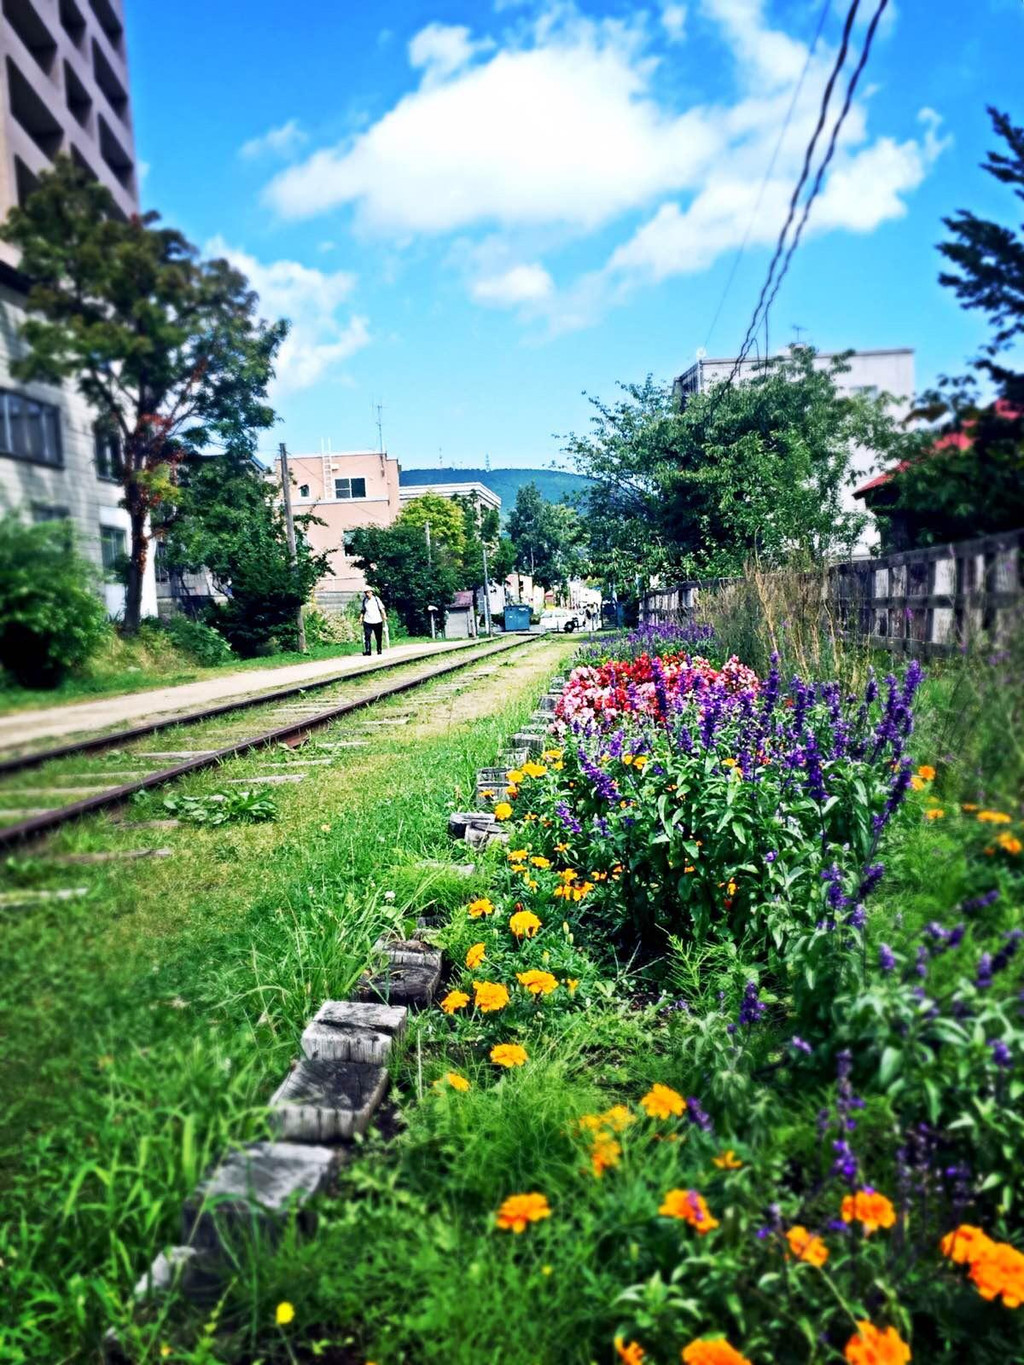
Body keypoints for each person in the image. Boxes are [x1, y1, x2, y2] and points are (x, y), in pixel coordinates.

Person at [360, 587, 387, 656]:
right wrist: (361, 618)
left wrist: (384, 615)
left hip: (377, 620)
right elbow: (363, 610)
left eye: (368, 592)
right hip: (367, 620)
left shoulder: (376, 599)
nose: (367, 594)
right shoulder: (364, 601)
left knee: (378, 636)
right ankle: (368, 650)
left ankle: (379, 649)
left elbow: (381, 608)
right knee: (367, 636)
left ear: (371, 592)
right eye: (365, 592)